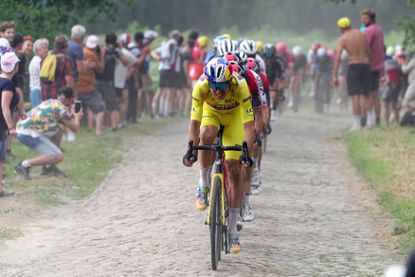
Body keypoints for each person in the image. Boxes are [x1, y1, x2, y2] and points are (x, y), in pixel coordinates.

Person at [183, 57, 255, 254]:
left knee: (234, 169)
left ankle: (232, 231)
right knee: (206, 135)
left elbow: (249, 126)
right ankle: (204, 184)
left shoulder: (240, 85)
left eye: (222, 85)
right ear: (209, 82)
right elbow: (194, 124)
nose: (218, 91)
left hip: (234, 118)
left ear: (229, 81)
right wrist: (191, 149)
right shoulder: (201, 86)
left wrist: (246, 152)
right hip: (211, 113)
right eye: (215, 86)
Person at [14, 86, 83, 179]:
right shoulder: (61, 110)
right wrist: (77, 117)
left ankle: (48, 167)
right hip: (28, 133)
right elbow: (75, 128)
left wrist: (71, 114)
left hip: (23, 128)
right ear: (69, 100)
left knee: (60, 129)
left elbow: (65, 121)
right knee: (58, 156)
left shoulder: (52, 102)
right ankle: (23, 165)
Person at [333, 17, 371, 131]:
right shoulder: (362, 34)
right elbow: (369, 51)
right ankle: (369, 121)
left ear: (340, 28)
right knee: (366, 94)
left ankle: (357, 124)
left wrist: (334, 75)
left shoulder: (343, 38)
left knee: (355, 96)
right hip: (366, 65)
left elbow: (338, 58)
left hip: (354, 66)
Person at [76, 35, 106, 136]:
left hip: (75, 86)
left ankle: (74, 131)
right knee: (100, 108)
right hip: (87, 87)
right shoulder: (91, 55)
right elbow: (100, 69)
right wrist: (102, 54)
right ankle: (98, 131)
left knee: (77, 109)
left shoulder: (79, 52)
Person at [0, 52, 20, 196]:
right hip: (1, 124)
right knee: (0, 158)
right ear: (15, 66)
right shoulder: (8, 83)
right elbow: (5, 106)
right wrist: (11, 128)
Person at [361, 9, 385, 127]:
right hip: (378, 65)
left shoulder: (369, 30)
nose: (362, 20)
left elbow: (366, 47)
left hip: (370, 65)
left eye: (365, 18)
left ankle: (368, 121)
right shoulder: (379, 29)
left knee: (368, 94)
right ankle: (378, 121)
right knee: (376, 94)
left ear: (371, 19)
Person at [41, 35, 74, 101]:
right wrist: (71, 97)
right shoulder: (65, 60)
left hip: (45, 95)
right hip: (59, 96)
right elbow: (69, 80)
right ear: (66, 46)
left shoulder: (46, 58)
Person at [114, 33, 136, 128]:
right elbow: (134, 64)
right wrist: (129, 74)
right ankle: (122, 121)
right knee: (124, 102)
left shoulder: (108, 52)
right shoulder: (127, 53)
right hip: (123, 81)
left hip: (111, 81)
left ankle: (111, 122)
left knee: (113, 103)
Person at [28, 38, 49, 107]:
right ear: (37, 50)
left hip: (35, 90)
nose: (47, 50)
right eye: (44, 48)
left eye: (47, 48)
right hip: (37, 90)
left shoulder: (35, 60)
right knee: (39, 115)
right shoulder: (39, 61)